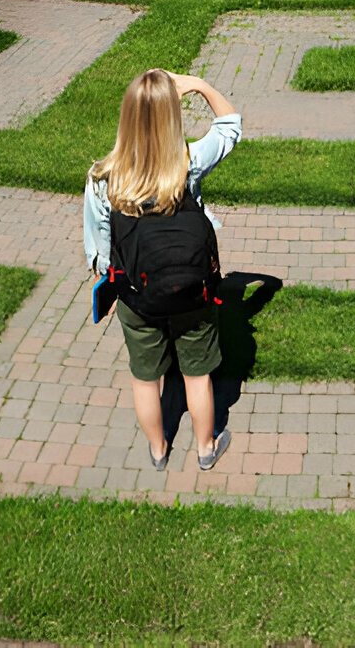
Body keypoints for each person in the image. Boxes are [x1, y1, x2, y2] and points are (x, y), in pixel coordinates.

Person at [84, 68, 241, 471]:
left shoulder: (103, 177)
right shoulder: (187, 163)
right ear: (173, 116)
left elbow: (99, 251)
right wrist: (201, 85)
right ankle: (206, 448)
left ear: (126, 115)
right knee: (197, 375)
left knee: (144, 378)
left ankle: (158, 451)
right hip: (194, 292)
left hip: (138, 297)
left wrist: (112, 277)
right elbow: (230, 126)